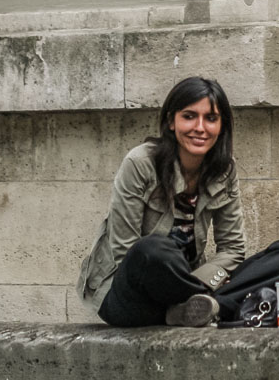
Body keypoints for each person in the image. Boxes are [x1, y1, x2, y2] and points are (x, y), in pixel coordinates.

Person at [76, 77, 247, 327]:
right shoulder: (140, 163)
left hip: (190, 287)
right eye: (189, 116)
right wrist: (204, 287)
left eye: (211, 118)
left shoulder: (224, 170)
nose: (200, 127)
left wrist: (202, 281)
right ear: (170, 121)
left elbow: (233, 249)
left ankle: (190, 309)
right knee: (153, 250)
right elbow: (127, 252)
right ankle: (215, 305)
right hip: (129, 294)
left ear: (222, 126)